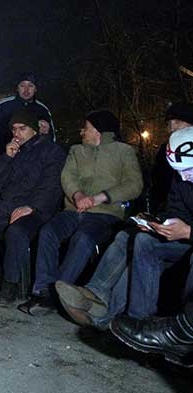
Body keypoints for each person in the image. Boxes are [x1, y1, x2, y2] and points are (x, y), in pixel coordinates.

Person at [56, 127, 193, 328]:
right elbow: (176, 208)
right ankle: (132, 322)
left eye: (188, 170)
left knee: (137, 248)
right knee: (137, 240)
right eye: (178, 171)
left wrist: (188, 231)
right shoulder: (182, 178)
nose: (183, 177)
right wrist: (159, 224)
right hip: (183, 238)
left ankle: (110, 317)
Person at [19, 111, 142, 316]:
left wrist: (100, 197)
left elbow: (134, 184)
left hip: (105, 213)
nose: (82, 131)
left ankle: (57, 293)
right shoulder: (76, 151)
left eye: (86, 127)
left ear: (98, 130)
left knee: (83, 238)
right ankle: (42, 289)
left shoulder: (124, 152)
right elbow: (68, 175)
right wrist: (77, 194)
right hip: (73, 209)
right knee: (48, 231)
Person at [0, 107, 66, 305]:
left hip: (38, 211)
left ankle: (11, 284)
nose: (16, 133)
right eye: (14, 129)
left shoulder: (52, 151)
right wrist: (6, 157)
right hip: (8, 208)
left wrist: (31, 207)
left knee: (16, 232)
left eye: (22, 128)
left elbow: (52, 186)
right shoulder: (14, 151)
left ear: (34, 129)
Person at [0, 73, 56, 157]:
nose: (26, 90)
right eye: (22, 85)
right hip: (7, 158)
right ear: (17, 88)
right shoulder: (4, 106)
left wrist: (46, 133)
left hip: (35, 160)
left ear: (36, 89)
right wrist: (1, 158)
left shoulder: (42, 110)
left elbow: (51, 139)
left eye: (30, 86)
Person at [148, 102, 193, 213]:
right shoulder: (165, 151)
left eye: (178, 121)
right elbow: (159, 184)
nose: (172, 127)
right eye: (169, 124)